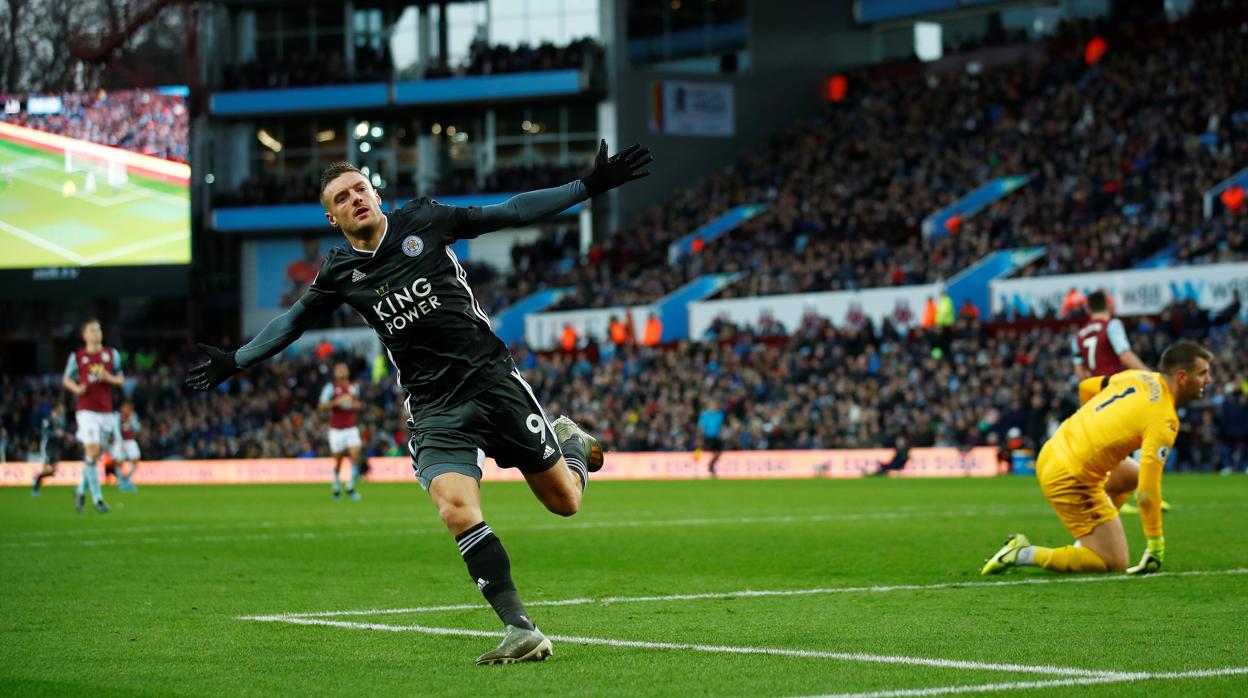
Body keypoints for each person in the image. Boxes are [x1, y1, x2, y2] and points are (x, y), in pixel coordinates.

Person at [187, 139, 650, 665]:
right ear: (332, 217)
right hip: (435, 408)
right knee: (455, 509)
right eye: (342, 197)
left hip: (493, 382)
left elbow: (511, 210)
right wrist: (238, 359)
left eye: (361, 188)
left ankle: (570, 443)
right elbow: (292, 321)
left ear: (376, 194)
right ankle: (520, 627)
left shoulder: (424, 221)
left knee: (564, 502)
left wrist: (587, 187)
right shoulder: (339, 273)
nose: (355, 198)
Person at [981, 341, 1213, 576]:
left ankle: (1092, 536)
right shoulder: (1164, 420)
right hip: (1070, 477)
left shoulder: (1139, 377)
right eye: (1203, 373)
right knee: (1114, 563)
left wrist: (1091, 425)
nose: (1208, 380)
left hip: (1054, 448)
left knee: (1131, 477)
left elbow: (1087, 386)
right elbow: (1146, 494)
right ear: (1182, 376)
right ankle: (1022, 553)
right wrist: (1155, 545)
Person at [1070, 289, 1167, 514]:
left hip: (1096, 396)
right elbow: (1124, 354)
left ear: (1087, 309)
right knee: (1141, 436)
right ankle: (1143, 492)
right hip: (1117, 391)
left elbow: (1079, 373)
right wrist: (1151, 376)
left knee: (1113, 446)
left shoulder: (1079, 335)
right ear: (1109, 305)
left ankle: (1119, 494)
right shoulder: (1111, 326)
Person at [62, 319, 124, 513]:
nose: (97, 332)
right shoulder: (78, 357)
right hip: (86, 410)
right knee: (92, 451)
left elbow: (120, 378)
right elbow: (66, 378)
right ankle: (98, 500)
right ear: (85, 335)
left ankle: (81, 490)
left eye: (98, 329)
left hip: (106, 411)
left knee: (95, 456)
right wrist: (77, 389)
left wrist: (108, 378)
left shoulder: (111, 354)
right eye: (92, 330)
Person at [320, 361, 364, 500]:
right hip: (336, 430)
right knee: (339, 459)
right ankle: (336, 483)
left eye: (344, 369)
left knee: (355, 454)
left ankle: (350, 486)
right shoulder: (330, 388)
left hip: (351, 428)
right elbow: (322, 406)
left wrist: (353, 404)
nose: (342, 371)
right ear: (335, 373)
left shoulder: (353, 387)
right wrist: (337, 402)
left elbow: (358, 404)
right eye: (339, 369)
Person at [32, 402, 68, 495]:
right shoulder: (47, 419)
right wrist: (55, 434)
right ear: (56, 409)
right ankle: (36, 488)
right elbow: (45, 432)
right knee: (46, 468)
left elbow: (59, 433)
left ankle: (37, 478)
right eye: (61, 408)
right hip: (47, 447)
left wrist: (64, 436)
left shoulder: (58, 421)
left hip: (55, 448)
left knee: (54, 471)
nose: (62, 410)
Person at [110, 402, 141, 493]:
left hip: (130, 440)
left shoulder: (133, 415)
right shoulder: (117, 416)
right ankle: (121, 483)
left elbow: (137, 428)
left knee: (135, 460)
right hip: (119, 441)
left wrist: (132, 421)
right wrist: (120, 441)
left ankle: (128, 479)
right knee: (119, 462)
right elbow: (115, 429)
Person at [697, 400, 725, 478]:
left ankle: (711, 465)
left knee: (718, 453)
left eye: (715, 405)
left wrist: (721, 434)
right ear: (709, 406)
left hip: (716, 437)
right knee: (701, 448)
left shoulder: (719, 415)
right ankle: (695, 459)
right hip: (707, 436)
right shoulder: (706, 415)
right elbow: (701, 426)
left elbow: (721, 426)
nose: (714, 406)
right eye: (713, 405)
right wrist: (701, 436)